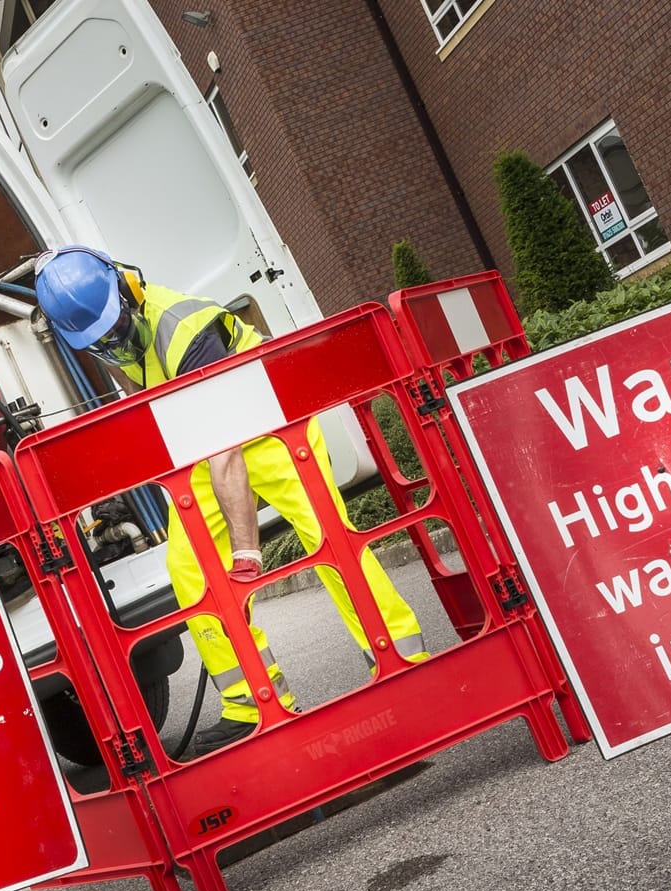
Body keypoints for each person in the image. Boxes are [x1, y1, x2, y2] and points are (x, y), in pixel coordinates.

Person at [32, 245, 428, 755]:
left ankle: (401, 657)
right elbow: (145, 399)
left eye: (113, 328)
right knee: (189, 571)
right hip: (203, 441)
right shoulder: (113, 340)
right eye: (99, 341)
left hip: (272, 426)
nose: (112, 343)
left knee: (327, 537)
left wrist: (247, 551)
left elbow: (227, 452)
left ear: (126, 287)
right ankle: (251, 703)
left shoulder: (185, 328)